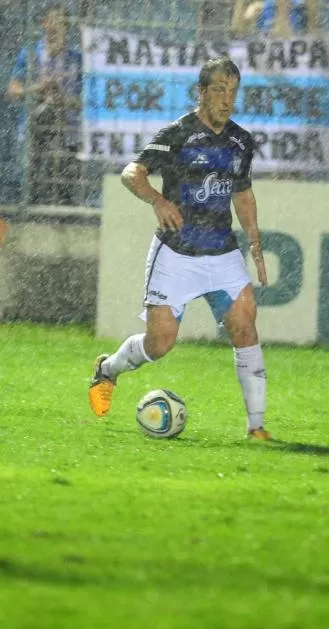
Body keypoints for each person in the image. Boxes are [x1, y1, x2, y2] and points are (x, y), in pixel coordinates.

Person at [87, 57, 272, 441]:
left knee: (244, 326)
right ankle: (108, 369)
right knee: (160, 344)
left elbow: (242, 192)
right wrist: (157, 200)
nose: (226, 99)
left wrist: (254, 239)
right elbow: (131, 173)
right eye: (219, 90)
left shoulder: (241, 141)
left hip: (222, 252)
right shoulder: (178, 134)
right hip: (176, 253)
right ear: (201, 92)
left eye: (232, 91)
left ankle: (257, 427)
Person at [5, 4, 83, 206]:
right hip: (36, 127)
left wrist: (63, 99)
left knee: (64, 188)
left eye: (63, 23)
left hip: (66, 131)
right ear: (44, 23)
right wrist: (37, 89)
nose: (59, 26)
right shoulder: (31, 54)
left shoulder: (76, 59)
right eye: (54, 21)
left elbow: (86, 102)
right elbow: (13, 91)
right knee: (33, 184)